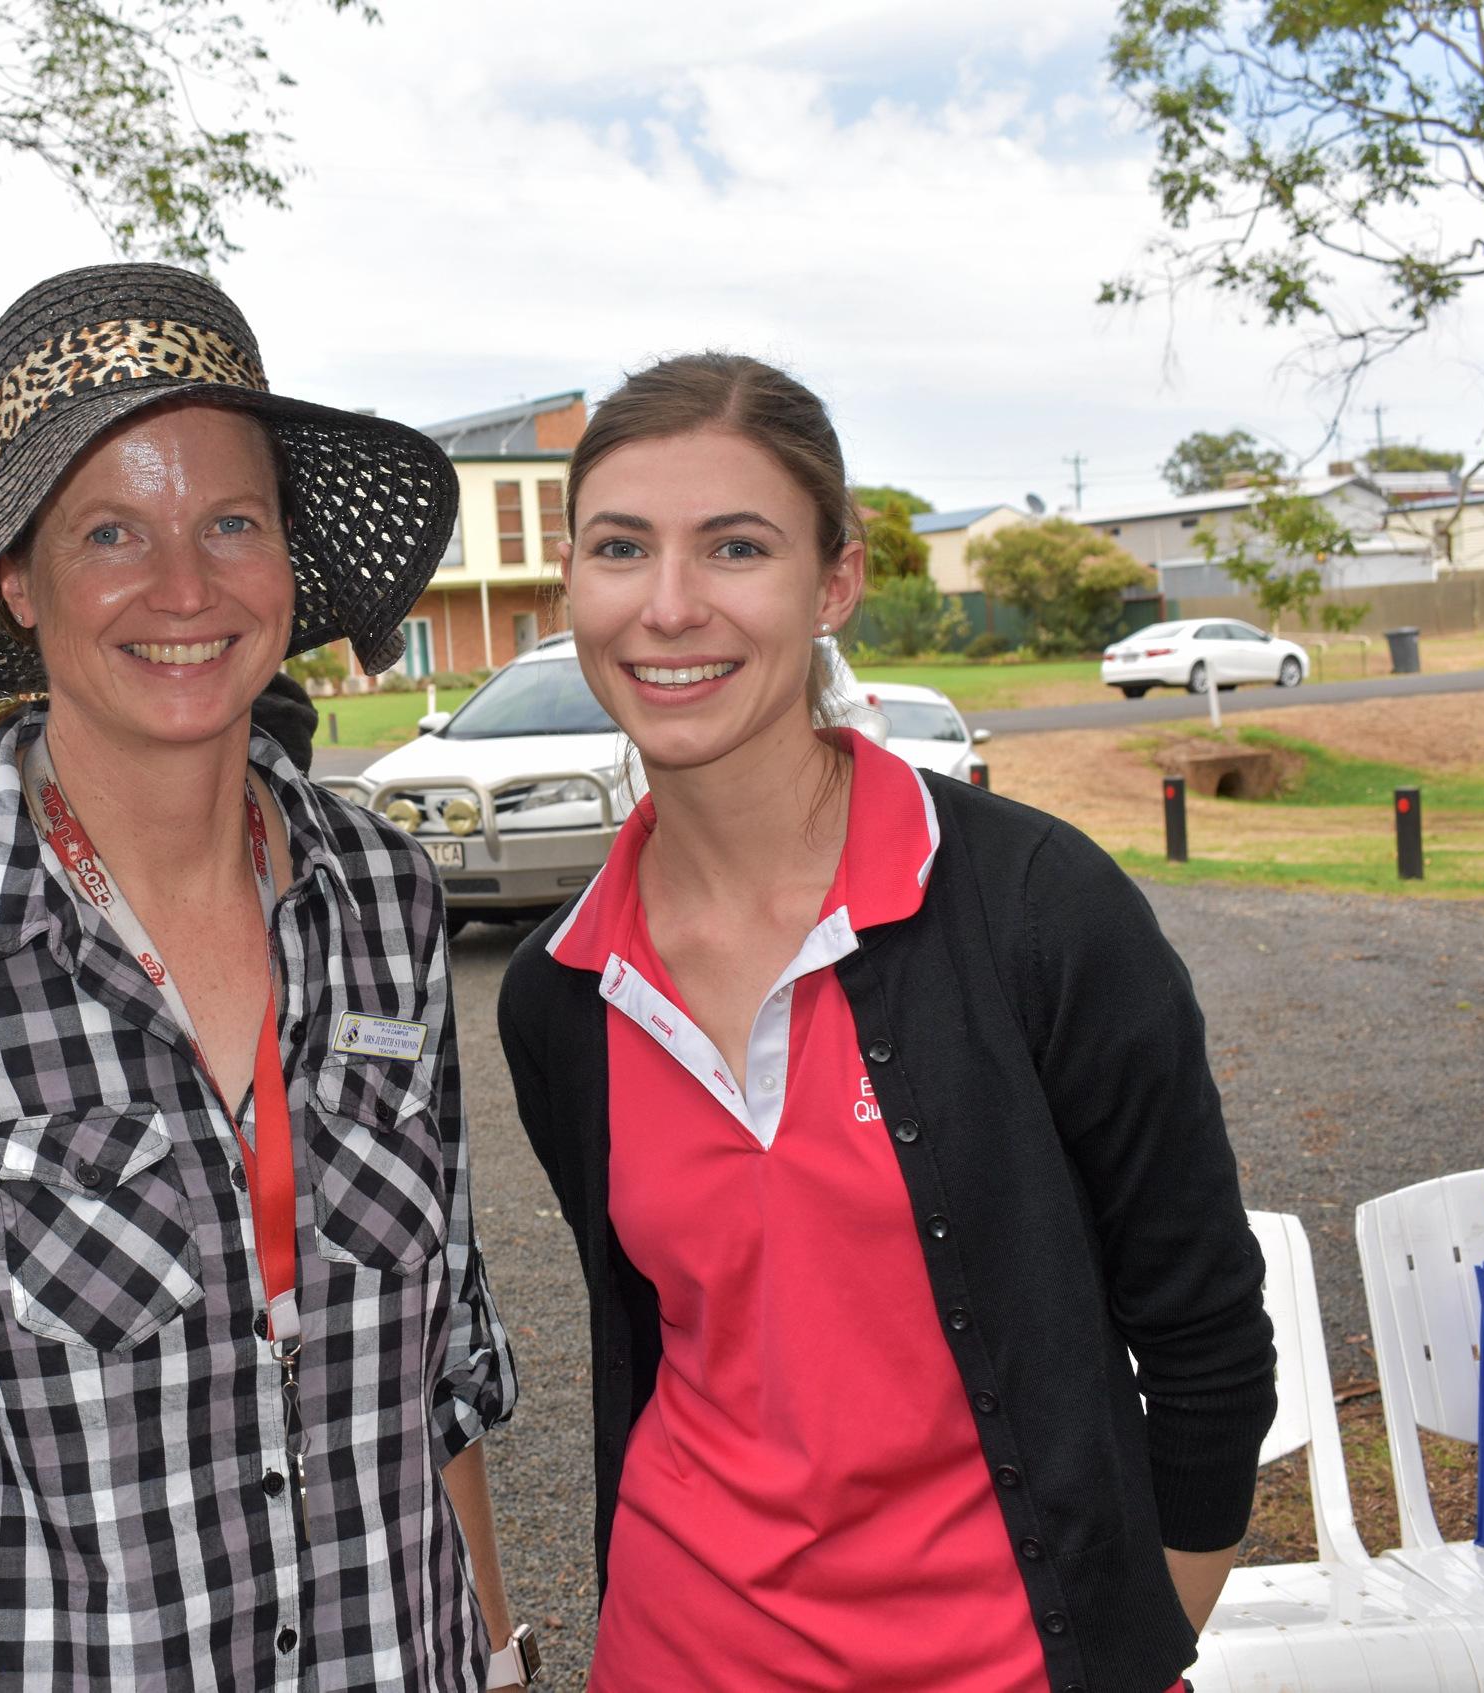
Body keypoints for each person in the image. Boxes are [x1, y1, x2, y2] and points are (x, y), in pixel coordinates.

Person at [0, 262, 532, 1691]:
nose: (184, 585)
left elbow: (440, 1381)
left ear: (287, 562)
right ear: (17, 580)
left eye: (230, 520)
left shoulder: (384, 898)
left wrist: (495, 1659)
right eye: (110, 530)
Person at [496, 353, 1276, 1692]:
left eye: (734, 547)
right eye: (619, 548)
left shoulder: (1032, 909)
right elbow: (656, 1343)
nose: (668, 605)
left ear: (834, 581)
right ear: (570, 584)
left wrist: (1142, 1633)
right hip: (679, 1652)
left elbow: (1204, 1333)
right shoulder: (560, 992)